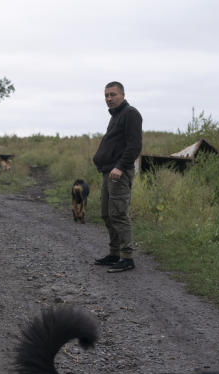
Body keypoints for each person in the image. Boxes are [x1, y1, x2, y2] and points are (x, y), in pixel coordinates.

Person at [92, 81, 142, 273]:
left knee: (119, 214)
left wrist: (120, 167)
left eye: (113, 95)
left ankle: (127, 257)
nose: (109, 99)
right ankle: (114, 253)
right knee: (106, 213)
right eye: (106, 95)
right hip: (108, 171)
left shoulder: (130, 114)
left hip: (119, 173)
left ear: (122, 95)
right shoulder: (116, 116)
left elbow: (134, 146)